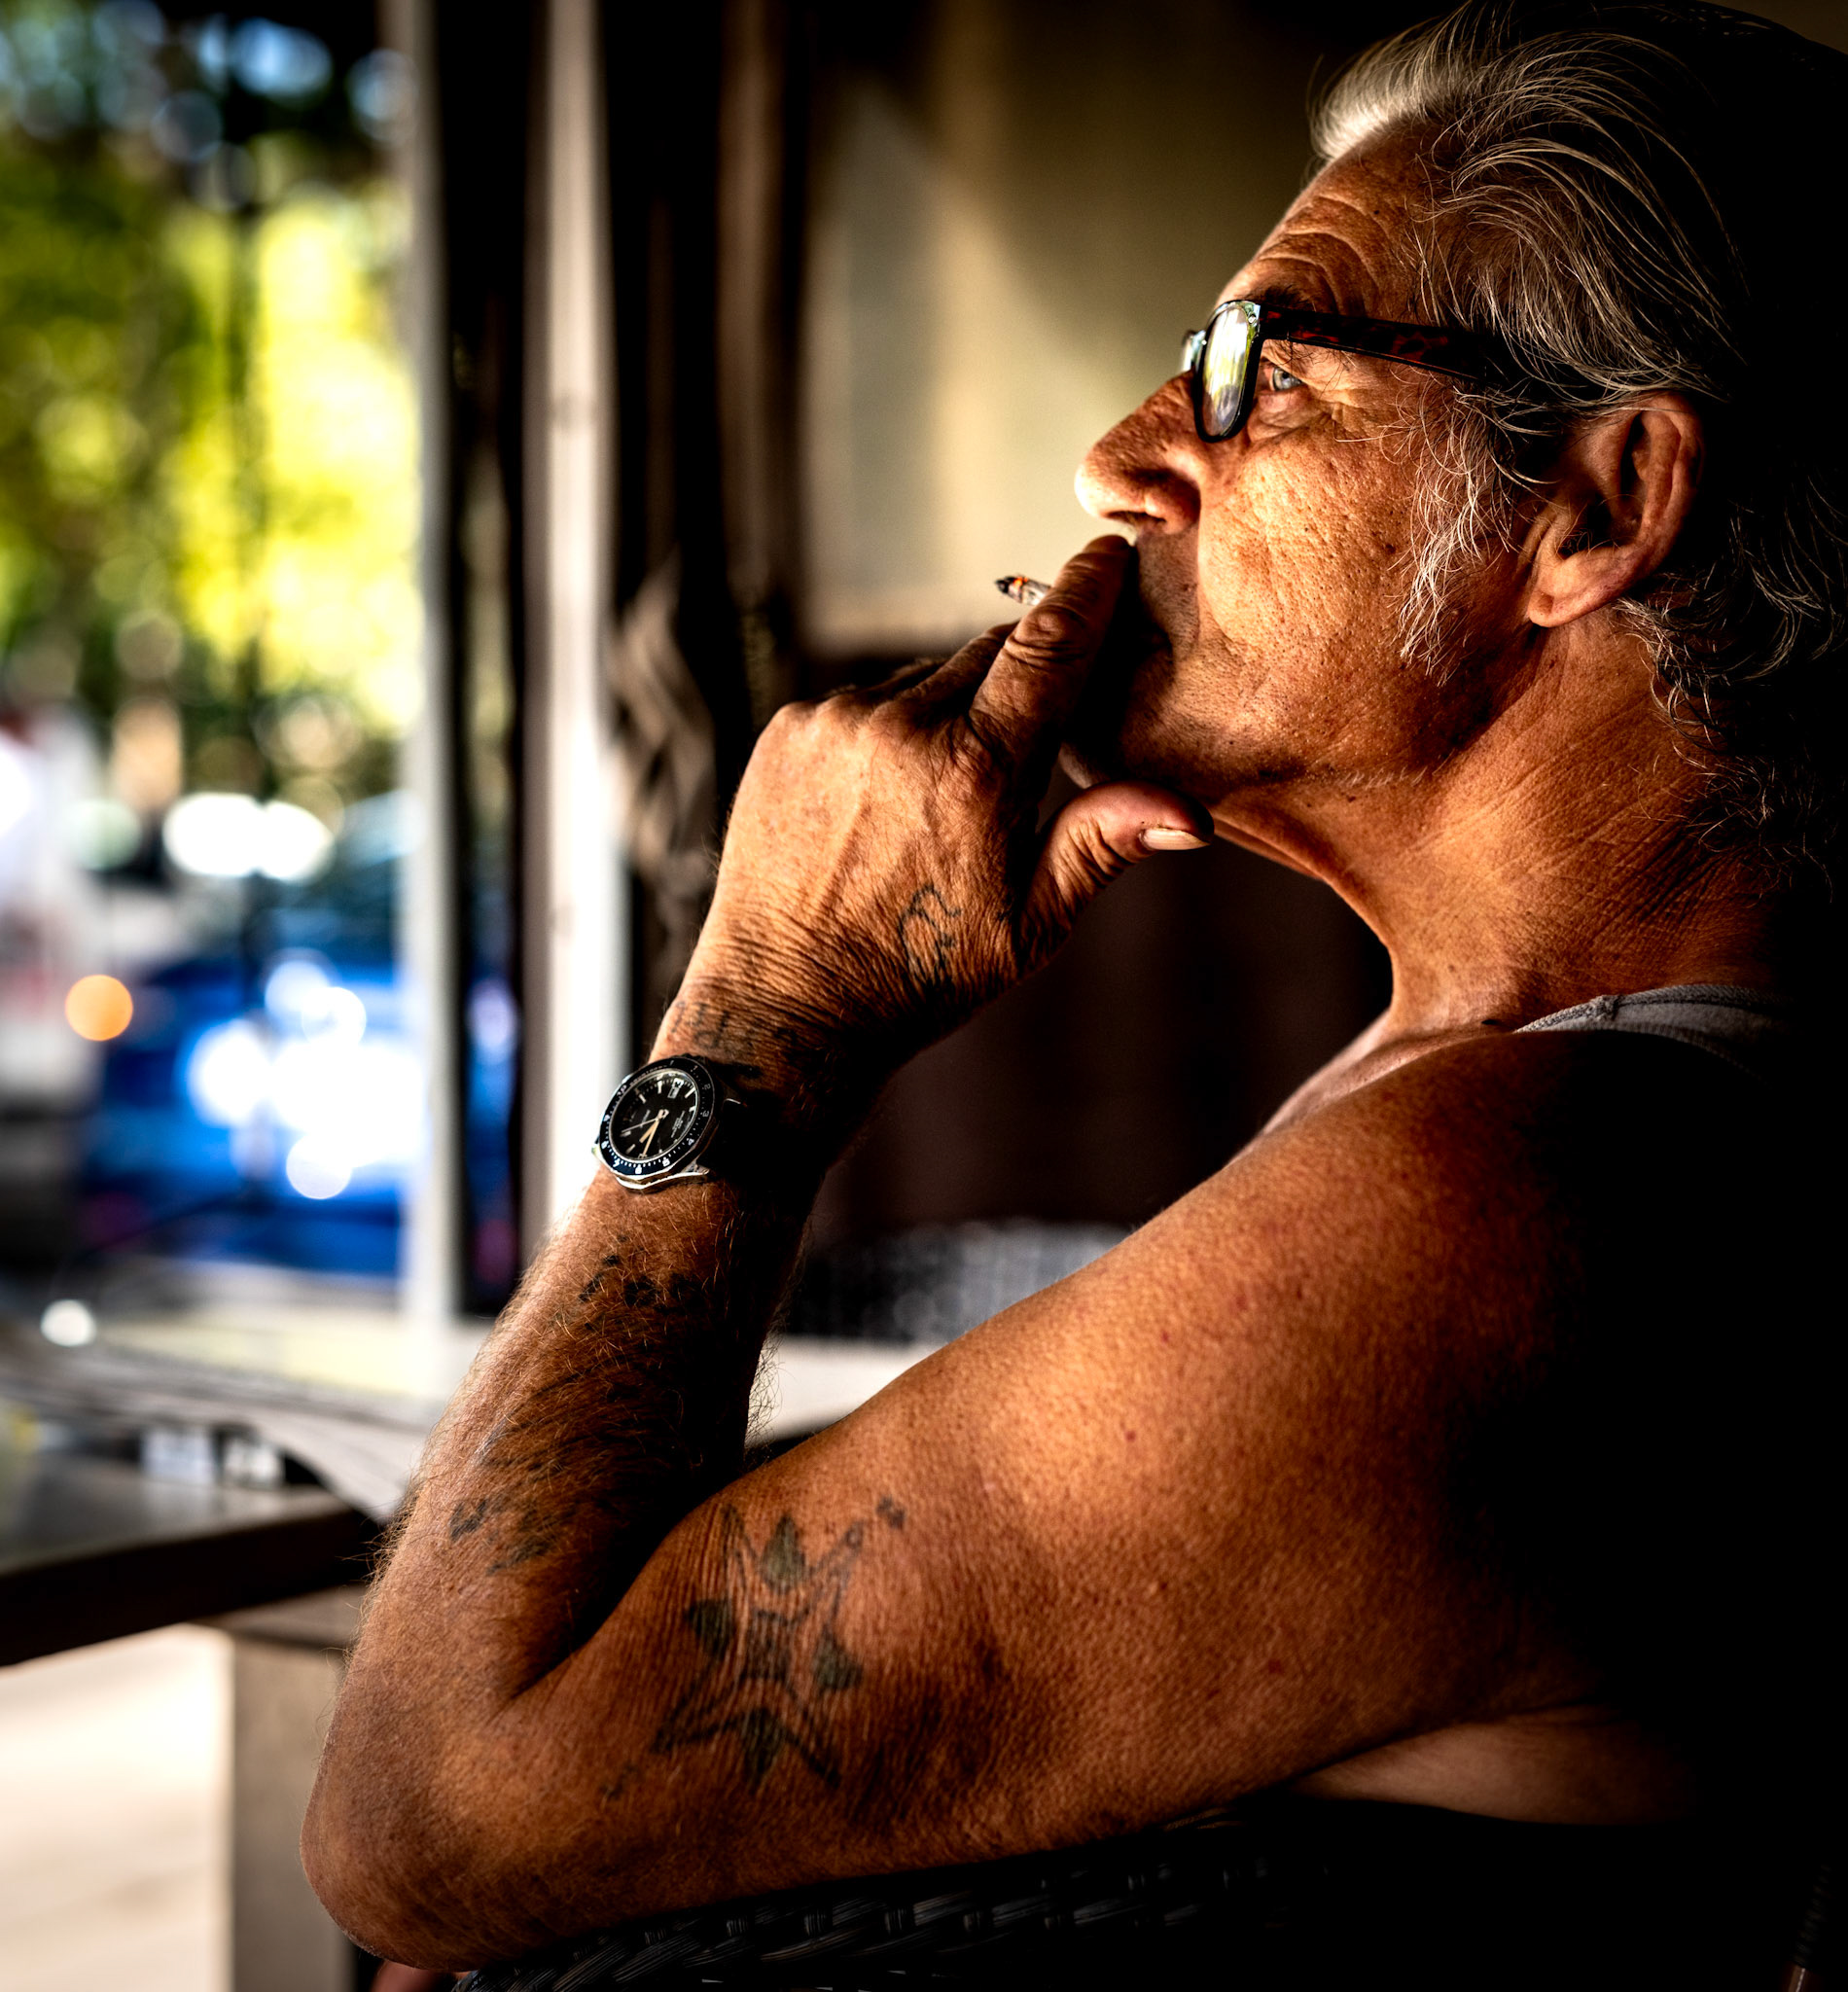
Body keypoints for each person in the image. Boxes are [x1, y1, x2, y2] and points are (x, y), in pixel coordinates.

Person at [304, 4, 1847, 1984]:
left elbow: (422, 1822)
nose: (1116, 454)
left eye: (1243, 371)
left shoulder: (1510, 1210)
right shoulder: (1564, 1106)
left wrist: (766, 1003)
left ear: (1595, 507)